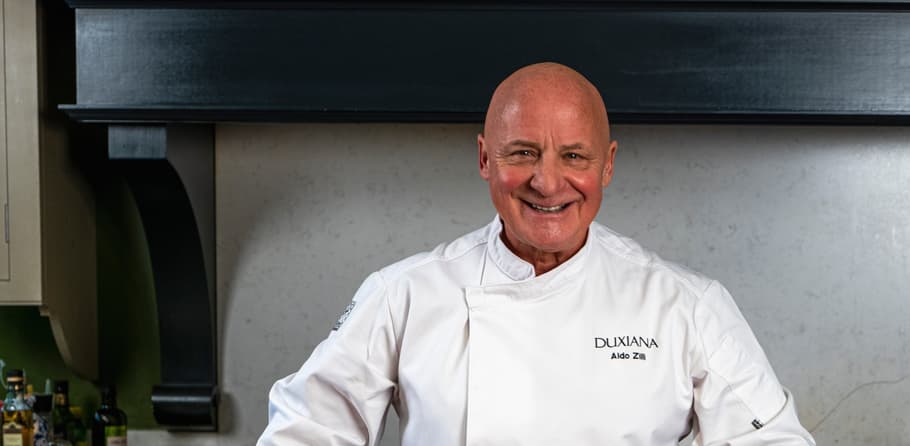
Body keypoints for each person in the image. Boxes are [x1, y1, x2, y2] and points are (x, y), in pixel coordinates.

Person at [258, 62, 816, 446]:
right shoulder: (403, 295)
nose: (547, 183)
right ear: (485, 158)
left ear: (607, 165)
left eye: (574, 156)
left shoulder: (686, 306)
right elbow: (303, 433)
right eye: (523, 153)